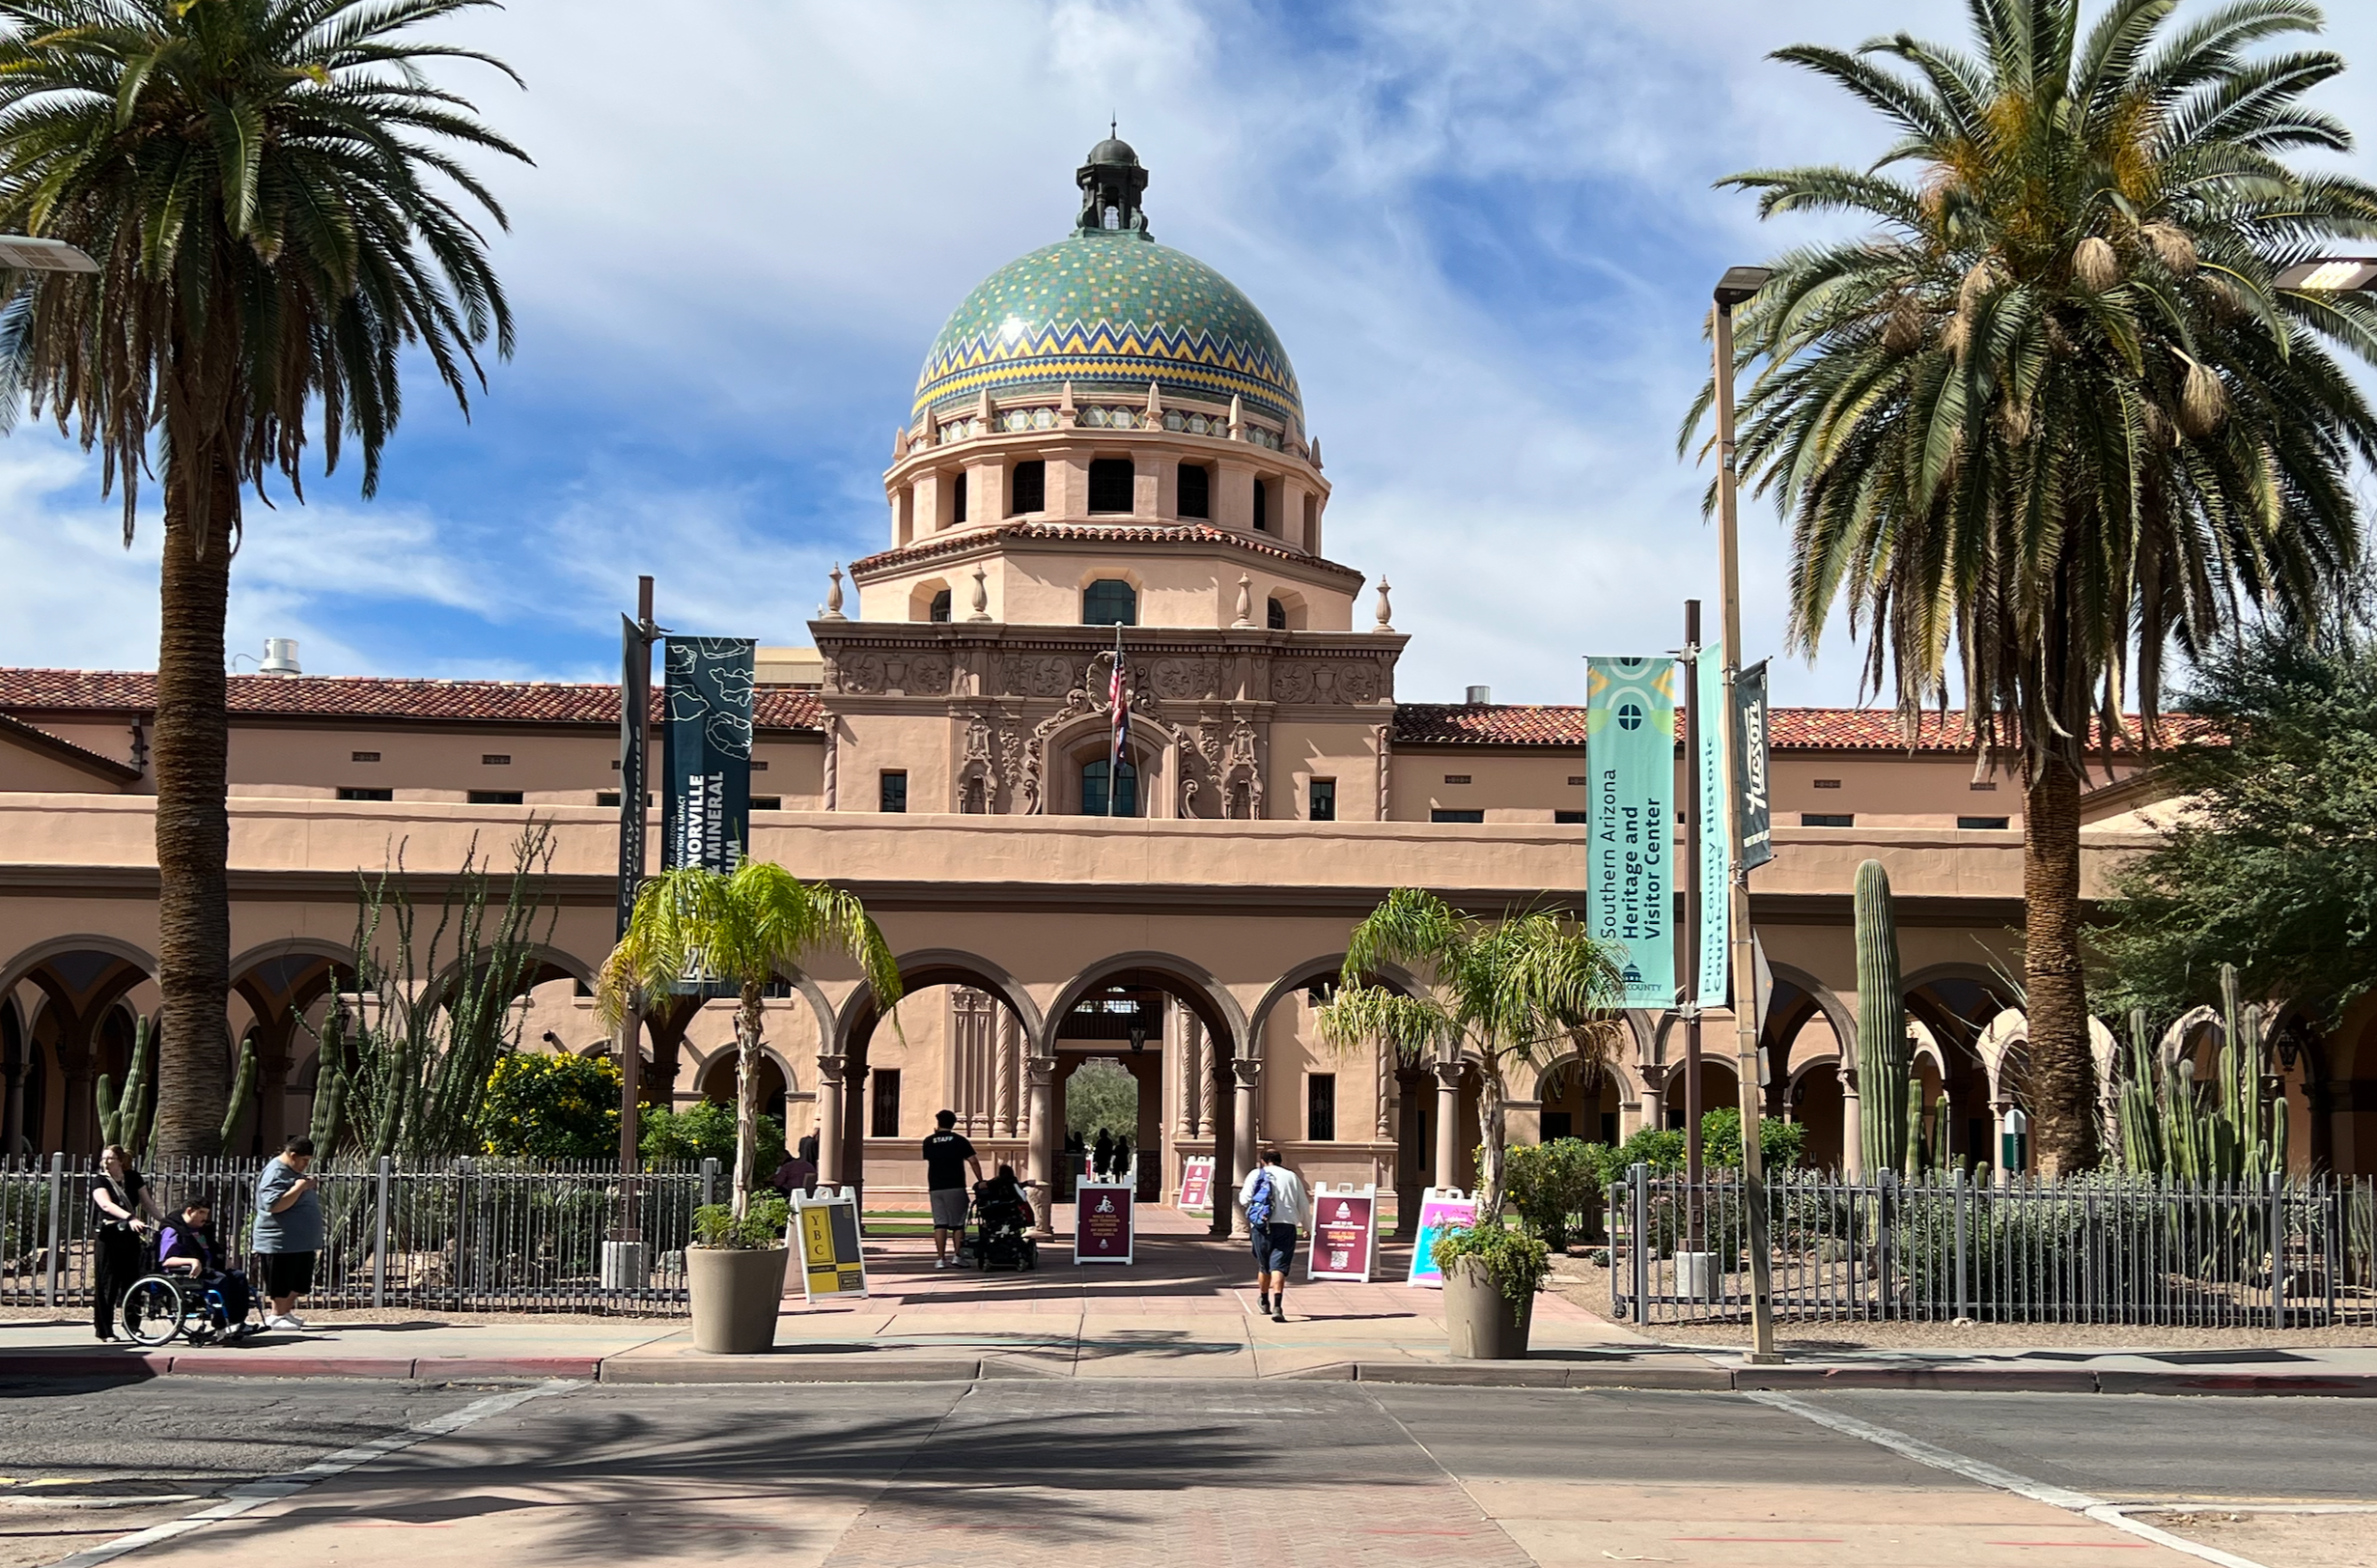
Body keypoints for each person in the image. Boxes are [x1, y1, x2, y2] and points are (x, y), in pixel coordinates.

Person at [91, 1143, 162, 1342]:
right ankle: (104, 1331)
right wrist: (130, 1218)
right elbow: (106, 1204)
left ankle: (132, 1325)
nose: (105, 1162)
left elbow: (147, 1203)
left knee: (133, 1281)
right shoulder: (100, 1181)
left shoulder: (133, 1178)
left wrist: (164, 1222)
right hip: (109, 1235)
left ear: (120, 1161)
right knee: (107, 1283)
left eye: (110, 1159)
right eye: (103, 1158)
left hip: (129, 1237)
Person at [251, 1135, 323, 1330]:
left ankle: (285, 1312)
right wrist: (299, 1187)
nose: (306, 1165)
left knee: (298, 1280)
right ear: (292, 1155)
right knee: (282, 1280)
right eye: (304, 1160)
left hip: (299, 1242)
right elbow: (273, 1205)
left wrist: (305, 1185)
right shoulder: (275, 1172)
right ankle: (276, 1315)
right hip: (280, 1242)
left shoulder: (291, 1172)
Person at [158, 1199, 256, 1339]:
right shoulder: (172, 1230)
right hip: (184, 1273)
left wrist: (224, 1259)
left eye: (207, 1213)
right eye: (201, 1213)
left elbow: (210, 1248)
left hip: (206, 1269)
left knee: (238, 1276)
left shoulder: (200, 1231)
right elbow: (167, 1260)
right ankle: (221, 1323)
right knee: (220, 1280)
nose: (205, 1217)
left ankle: (237, 1321)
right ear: (190, 1211)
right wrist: (193, 1261)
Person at [1239, 1148, 1308, 1323]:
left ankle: (1264, 1300)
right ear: (1280, 1160)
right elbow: (1303, 1204)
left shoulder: (1256, 1174)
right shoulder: (1292, 1177)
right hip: (1287, 1225)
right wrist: (1307, 1226)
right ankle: (1278, 1305)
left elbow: (1244, 1199)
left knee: (1264, 1266)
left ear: (1263, 1161)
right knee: (1279, 1266)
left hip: (1262, 1225)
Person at [920, 1110, 982, 1269]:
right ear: (953, 1123)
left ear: (938, 1122)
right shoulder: (960, 1141)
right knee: (957, 1224)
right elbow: (973, 1161)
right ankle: (957, 1255)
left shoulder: (928, 1141)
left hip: (935, 1186)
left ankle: (940, 1258)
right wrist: (980, 1180)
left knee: (939, 1223)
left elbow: (930, 1158)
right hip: (955, 1185)